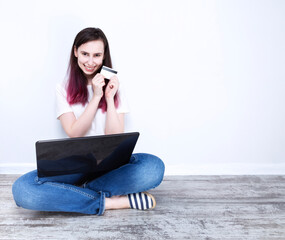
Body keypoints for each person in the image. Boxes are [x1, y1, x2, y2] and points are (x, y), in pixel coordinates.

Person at [12, 27, 165, 215]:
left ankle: (77, 192)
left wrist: (108, 97)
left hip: (111, 166)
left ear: (103, 57)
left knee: (153, 167)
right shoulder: (63, 88)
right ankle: (111, 202)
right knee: (23, 189)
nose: (91, 62)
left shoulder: (116, 85)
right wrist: (95, 97)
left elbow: (115, 136)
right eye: (85, 54)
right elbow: (74, 132)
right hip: (74, 165)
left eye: (97, 55)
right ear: (75, 52)